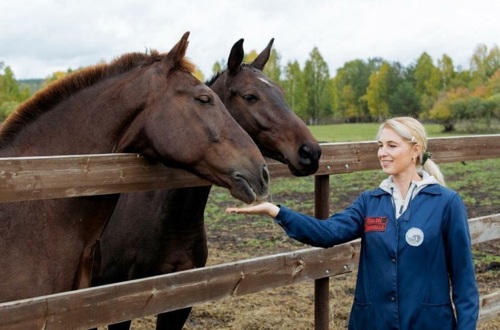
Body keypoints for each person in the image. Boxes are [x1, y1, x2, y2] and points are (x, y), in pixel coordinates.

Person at [226, 117, 479, 329]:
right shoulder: (370, 202)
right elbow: (327, 232)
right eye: (380, 145)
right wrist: (276, 211)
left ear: (415, 150)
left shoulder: (446, 203)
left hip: (429, 323)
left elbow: (464, 283)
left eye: (392, 145)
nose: (382, 153)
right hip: (372, 321)